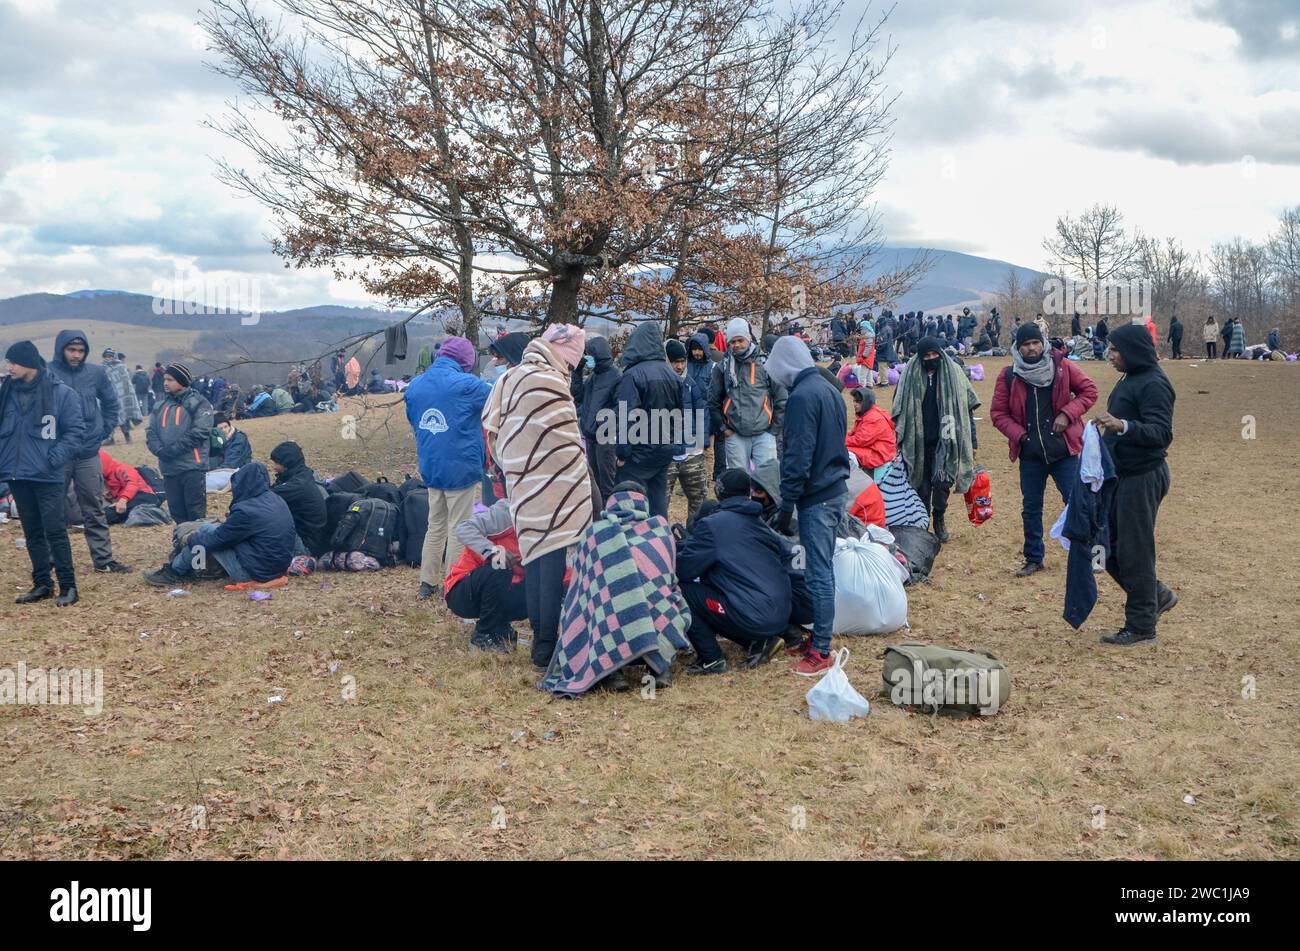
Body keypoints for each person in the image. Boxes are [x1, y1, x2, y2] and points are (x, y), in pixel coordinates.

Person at [482, 324, 595, 671]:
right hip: (559, 487)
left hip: (524, 485)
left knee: (535, 560)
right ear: (564, 355)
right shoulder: (549, 380)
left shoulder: (510, 377)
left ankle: (541, 646)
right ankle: (546, 647)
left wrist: (519, 465)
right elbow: (568, 442)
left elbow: (494, 429)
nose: (571, 371)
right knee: (552, 561)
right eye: (572, 364)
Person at [539, 481, 690, 695]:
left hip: (609, 629)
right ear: (642, 503)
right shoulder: (660, 530)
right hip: (655, 624)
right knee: (669, 597)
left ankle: (611, 672)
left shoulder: (594, 534)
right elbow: (670, 578)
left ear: (611, 504)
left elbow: (579, 593)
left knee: (593, 604)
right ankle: (658, 669)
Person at [764, 336, 850, 676]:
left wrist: (786, 505)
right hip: (834, 487)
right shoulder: (829, 390)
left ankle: (822, 650)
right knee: (821, 568)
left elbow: (797, 457)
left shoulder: (801, 398)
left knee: (818, 573)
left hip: (817, 496)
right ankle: (819, 637)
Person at [990, 323, 1099, 577]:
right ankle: (1034, 558)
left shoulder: (1062, 367)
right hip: (1031, 455)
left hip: (1064, 451)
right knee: (1031, 508)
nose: (1031, 348)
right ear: (1018, 348)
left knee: (1078, 503)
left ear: (1043, 343)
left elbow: (1089, 391)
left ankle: (1092, 554)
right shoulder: (1009, 375)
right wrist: (1021, 436)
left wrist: (1067, 413)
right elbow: (998, 414)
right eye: (1025, 344)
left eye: (1035, 343)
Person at [1092, 324, 1176, 645]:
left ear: (1133, 352)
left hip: (1143, 477)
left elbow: (1161, 433)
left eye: (1115, 350)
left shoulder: (1154, 384)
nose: (1110, 356)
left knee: (1135, 551)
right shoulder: (1129, 377)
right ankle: (1157, 595)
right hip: (1121, 476)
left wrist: (1123, 425)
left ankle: (1141, 627)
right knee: (1107, 547)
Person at [404, 335, 494, 602]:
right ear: (466, 360)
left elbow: (414, 420)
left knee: (435, 525)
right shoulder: (468, 385)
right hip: (461, 466)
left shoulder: (415, 386)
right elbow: (496, 400)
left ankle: (427, 582)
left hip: (432, 465)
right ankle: (453, 582)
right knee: (460, 526)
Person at [678, 469, 794, 674]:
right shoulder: (759, 521)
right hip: (781, 613)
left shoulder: (712, 525)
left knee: (683, 589)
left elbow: (684, 570)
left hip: (753, 614)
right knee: (726, 590)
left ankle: (711, 658)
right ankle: (758, 641)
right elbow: (785, 553)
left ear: (719, 492)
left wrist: (678, 550)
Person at [1, 341, 86, 606]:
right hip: (16, 473)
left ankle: (68, 587)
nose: (8, 367)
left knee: (55, 531)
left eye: (12, 362)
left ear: (27, 363)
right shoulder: (6, 392)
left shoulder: (62, 394)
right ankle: (42, 584)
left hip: (47, 474)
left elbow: (75, 432)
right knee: (32, 532)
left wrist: (54, 459)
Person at [48, 329, 130, 573]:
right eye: (71, 350)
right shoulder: (47, 373)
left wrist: (103, 432)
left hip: (87, 452)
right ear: (61, 349)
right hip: (58, 452)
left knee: (93, 506)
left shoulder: (96, 373)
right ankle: (51, 559)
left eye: (81, 351)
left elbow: (110, 403)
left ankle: (103, 560)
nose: (76, 355)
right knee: (53, 507)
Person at [145, 462, 295, 590]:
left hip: (254, 573)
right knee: (208, 532)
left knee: (203, 533)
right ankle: (190, 566)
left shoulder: (246, 511)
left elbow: (216, 540)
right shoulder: (275, 499)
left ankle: (174, 572)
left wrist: (189, 539)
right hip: (277, 568)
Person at [891, 335, 980, 543]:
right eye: (926, 356)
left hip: (946, 441)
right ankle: (923, 524)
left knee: (942, 484)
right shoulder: (909, 376)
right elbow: (899, 409)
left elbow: (966, 411)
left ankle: (939, 518)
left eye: (934, 354)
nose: (931, 358)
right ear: (920, 357)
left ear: (940, 354)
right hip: (918, 441)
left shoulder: (955, 374)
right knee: (920, 487)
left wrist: (973, 442)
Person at [612, 321, 681, 519]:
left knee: (628, 500)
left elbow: (627, 416)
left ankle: (631, 542)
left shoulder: (632, 375)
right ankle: (661, 540)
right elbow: (679, 414)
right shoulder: (673, 375)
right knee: (658, 501)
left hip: (638, 452)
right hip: (664, 449)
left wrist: (622, 452)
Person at [443, 498, 530, 652]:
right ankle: (483, 634)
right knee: (500, 564)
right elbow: (463, 529)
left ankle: (500, 626)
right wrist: (492, 550)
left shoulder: (551, 526)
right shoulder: (506, 513)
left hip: (502, 589)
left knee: (540, 586)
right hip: (462, 591)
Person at [710, 318, 786, 473]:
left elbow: (781, 398)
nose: (737, 345)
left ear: (748, 338)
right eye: (732, 342)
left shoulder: (766, 363)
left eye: (740, 340)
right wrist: (724, 429)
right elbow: (713, 401)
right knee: (739, 481)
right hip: (735, 434)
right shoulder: (722, 367)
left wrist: (773, 431)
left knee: (767, 480)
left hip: (764, 433)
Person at [146, 362, 213, 524]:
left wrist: (172, 451)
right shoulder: (160, 405)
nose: (165, 383)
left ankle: (198, 548)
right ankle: (181, 546)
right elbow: (150, 432)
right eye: (165, 379)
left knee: (195, 513)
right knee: (177, 513)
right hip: (169, 470)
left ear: (182, 381)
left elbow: (200, 432)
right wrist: (160, 451)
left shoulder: (200, 403)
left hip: (192, 468)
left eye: (170, 379)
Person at [665, 338, 708, 526]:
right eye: (675, 362)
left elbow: (702, 412)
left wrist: (703, 441)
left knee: (698, 500)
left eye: (683, 362)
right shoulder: (659, 383)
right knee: (660, 501)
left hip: (692, 452)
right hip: (667, 453)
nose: (680, 366)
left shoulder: (691, 384)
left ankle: (694, 538)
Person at [576, 335, 621, 506]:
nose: (587, 358)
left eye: (589, 355)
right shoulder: (593, 377)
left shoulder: (615, 376)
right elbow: (578, 396)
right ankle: (599, 517)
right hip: (590, 436)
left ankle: (610, 517)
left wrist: (604, 422)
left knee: (607, 483)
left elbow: (620, 406)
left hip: (605, 437)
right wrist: (577, 372)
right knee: (594, 482)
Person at [269, 441, 329, 557]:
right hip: (307, 540)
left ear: (288, 464)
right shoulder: (302, 475)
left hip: (305, 547)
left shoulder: (297, 485)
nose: (274, 467)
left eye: (277, 463)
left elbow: (263, 499)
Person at [99, 449, 161, 525]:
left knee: (106, 515)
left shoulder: (122, 468)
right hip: (129, 499)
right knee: (106, 514)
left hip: (143, 496)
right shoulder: (106, 478)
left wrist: (123, 500)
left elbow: (132, 484)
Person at [101, 349, 141, 444]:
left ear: (114, 357)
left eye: (110, 356)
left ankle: (127, 436)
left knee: (124, 417)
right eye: (106, 356)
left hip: (122, 397)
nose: (108, 358)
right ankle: (110, 439)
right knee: (109, 418)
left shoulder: (121, 367)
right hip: (109, 397)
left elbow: (126, 383)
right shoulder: (101, 368)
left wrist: (125, 395)